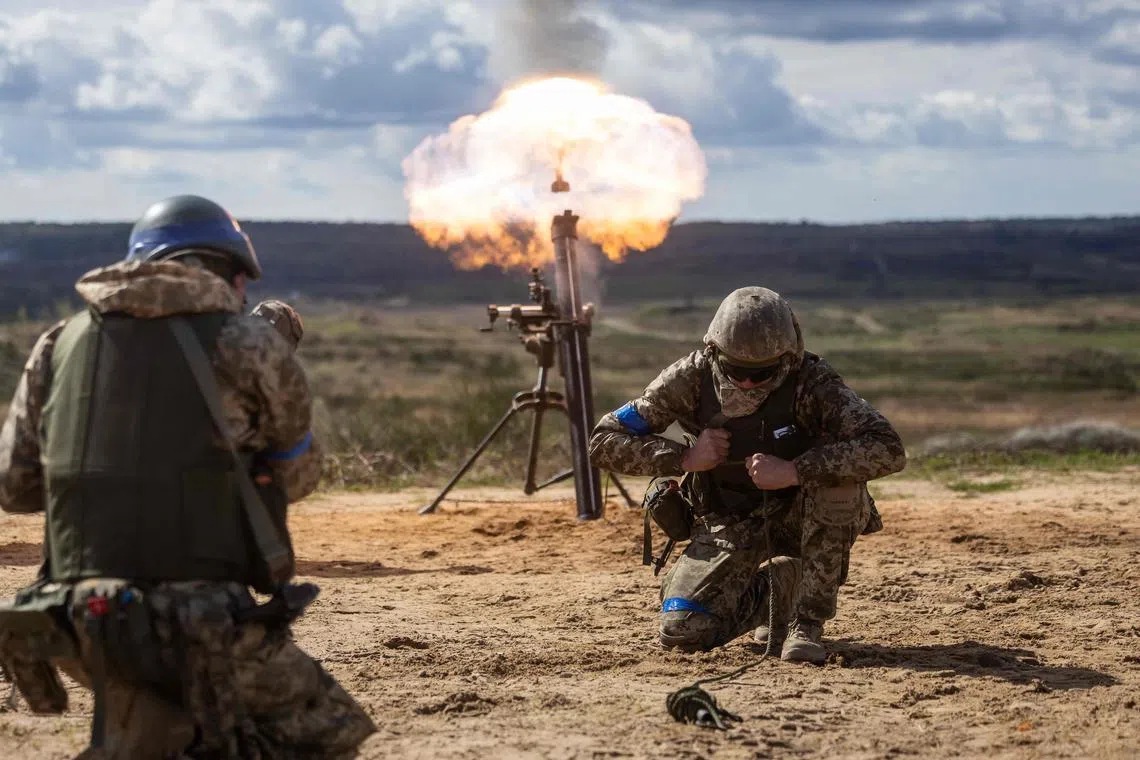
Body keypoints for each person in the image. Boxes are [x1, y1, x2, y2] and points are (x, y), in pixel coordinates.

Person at [0, 195, 375, 757]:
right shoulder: (248, 344)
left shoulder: (58, 343)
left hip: (69, 620)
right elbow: (297, 477)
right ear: (232, 273)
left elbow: (14, 487)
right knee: (328, 731)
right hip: (197, 623)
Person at [589, 286, 906, 664]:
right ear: (714, 353)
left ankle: (807, 623)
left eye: (762, 373)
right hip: (725, 521)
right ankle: (780, 591)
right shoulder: (689, 378)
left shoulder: (813, 382)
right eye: (737, 371)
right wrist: (685, 457)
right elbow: (602, 441)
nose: (748, 384)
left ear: (787, 359)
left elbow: (887, 447)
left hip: (799, 515)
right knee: (682, 629)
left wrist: (795, 471)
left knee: (839, 487)